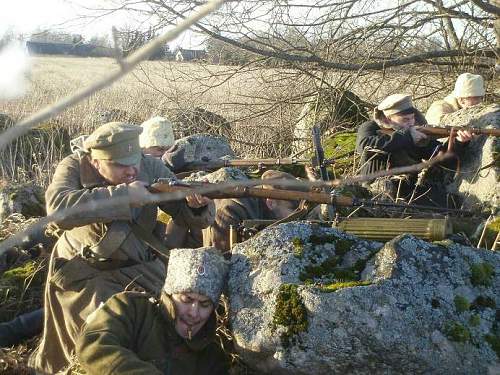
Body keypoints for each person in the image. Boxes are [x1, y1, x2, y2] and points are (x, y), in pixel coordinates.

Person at [30, 122, 215, 374]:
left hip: (142, 267)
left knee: (168, 325)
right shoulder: (74, 166)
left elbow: (183, 212)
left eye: (134, 161)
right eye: (120, 165)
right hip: (87, 273)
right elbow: (58, 209)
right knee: (96, 344)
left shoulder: (149, 166)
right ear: (96, 162)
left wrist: (196, 206)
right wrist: (121, 196)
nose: (131, 170)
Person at [76, 247, 229, 375]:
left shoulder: (212, 358)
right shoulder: (131, 308)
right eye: (186, 300)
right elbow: (94, 344)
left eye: (204, 304)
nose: (193, 313)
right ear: (170, 294)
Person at [355, 94, 472, 205]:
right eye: (405, 120)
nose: (411, 123)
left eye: (412, 118)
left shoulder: (416, 131)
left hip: (409, 189)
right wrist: (407, 136)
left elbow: (443, 160)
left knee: (452, 203)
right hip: (375, 189)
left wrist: (459, 143)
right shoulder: (370, 127)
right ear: (388, 119)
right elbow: (365, 146)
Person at [206, 170, 310, 254]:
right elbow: (219, 260)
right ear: (271, 203)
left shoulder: (267, 206)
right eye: (294, 210)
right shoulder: (231, 211)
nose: (298, 218)